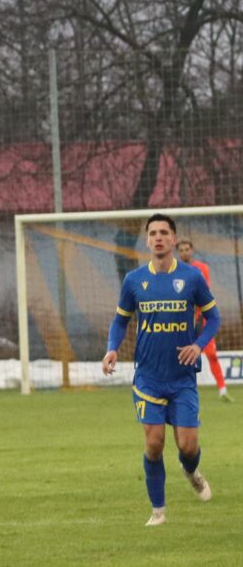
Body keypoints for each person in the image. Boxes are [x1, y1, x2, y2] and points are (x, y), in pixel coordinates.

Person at [103, 215, 219, 526]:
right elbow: (120, 321)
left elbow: (214, 318)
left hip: (182, 378)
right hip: (149, 378)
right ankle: (158, 511)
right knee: (154, 443)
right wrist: (112, 347)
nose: (158, 237)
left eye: (164, 232)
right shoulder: (134, 280)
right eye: (153, 233)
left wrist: (198, 345)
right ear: (147, 240)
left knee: (188, 446)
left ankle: (191, 470)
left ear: (173, 239)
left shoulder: (192, 278)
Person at [176, 239, 233, 402]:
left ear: (192, 250)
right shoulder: (174, 270)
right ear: (178, 253)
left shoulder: (202, 268)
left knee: (211, 354)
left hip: (202, 318)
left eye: (187, 249)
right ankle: (180, 390)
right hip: (182, 321)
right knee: (182, 357)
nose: (185, 252)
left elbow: (204, 293)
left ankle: (222, 389)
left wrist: (200, 314)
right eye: (181, 250)